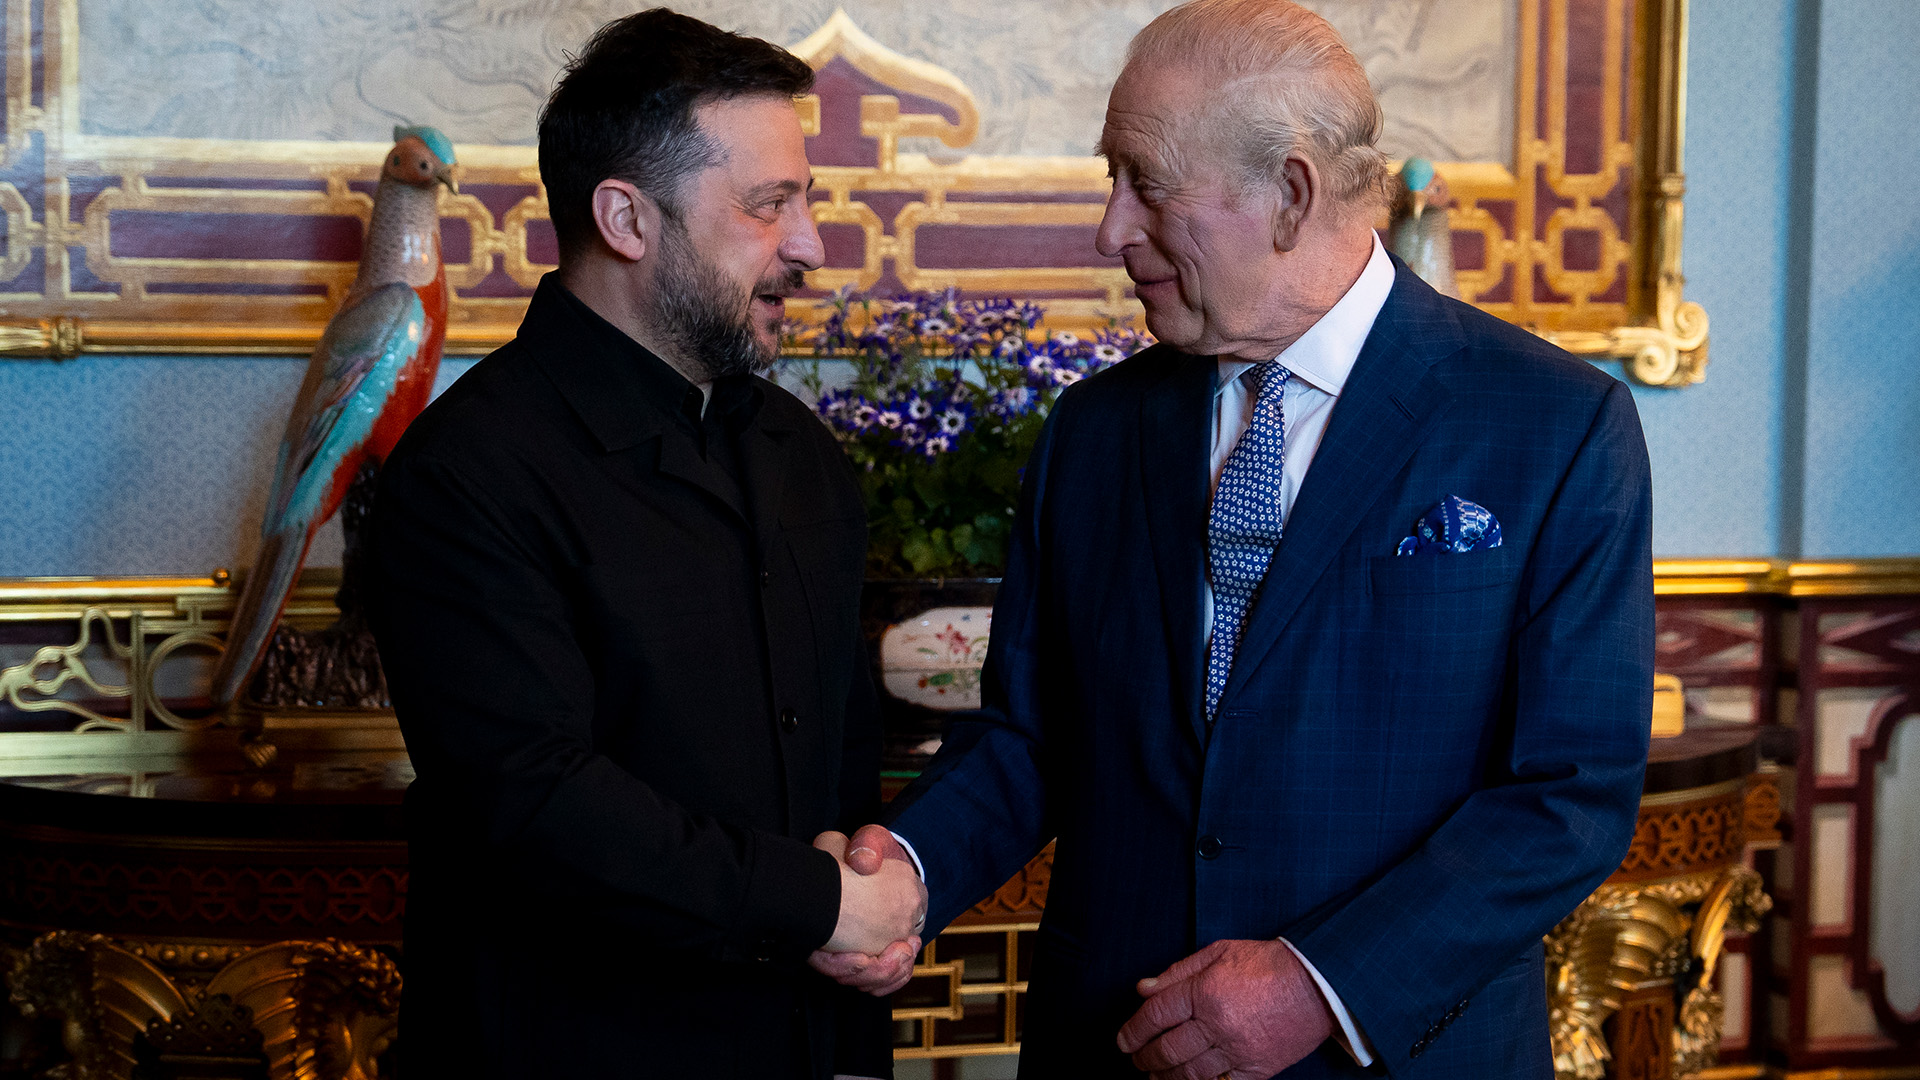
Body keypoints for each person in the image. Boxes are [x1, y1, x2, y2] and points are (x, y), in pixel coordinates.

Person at [815, 1, 1654, 1076]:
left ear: (1292, 195)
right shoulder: (1095, 430)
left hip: (1397, 1052)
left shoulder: (1553, 424)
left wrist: (1319, 983)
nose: (1110, 229)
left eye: (1145, 183)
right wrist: (910, 874)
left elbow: (1569, 794)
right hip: (1109, 1043)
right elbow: (1034, 734)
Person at [367, 10, 923, 1079]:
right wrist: (823, 906)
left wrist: (877, 915)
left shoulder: (802, 453)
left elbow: (845, 765)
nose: (809, 246)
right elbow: (533, 801)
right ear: (625, 217)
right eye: (770, 206)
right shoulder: (466, 471)